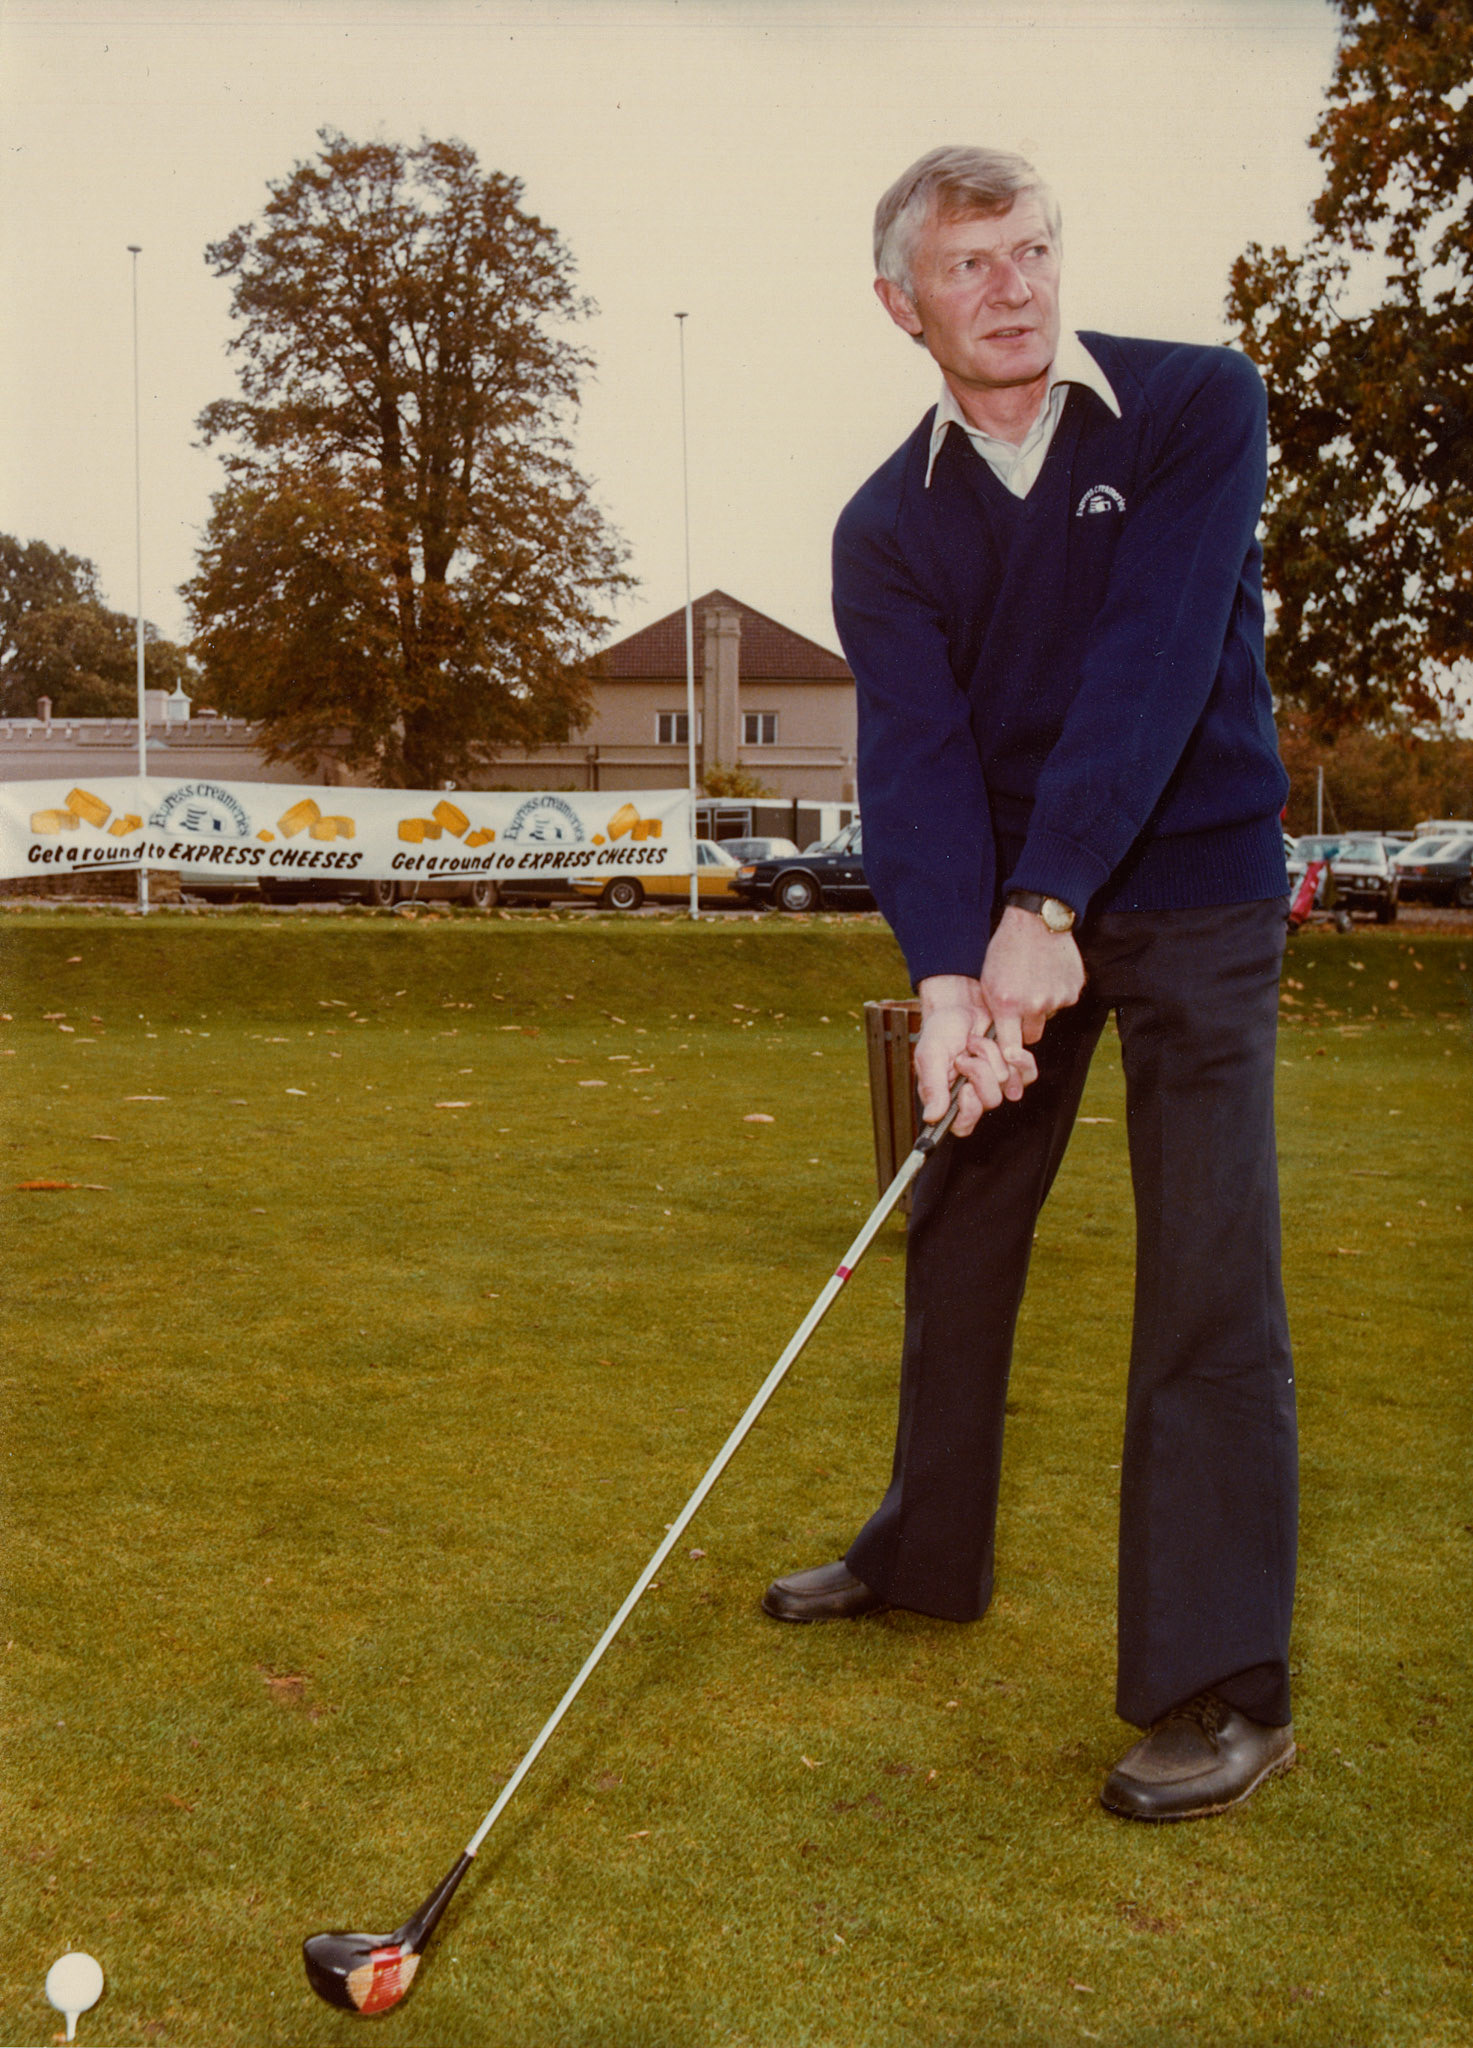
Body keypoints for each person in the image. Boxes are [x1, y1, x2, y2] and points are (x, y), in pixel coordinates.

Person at [763, 146, 1299, 1822]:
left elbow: (1149, 665)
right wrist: (945, 984)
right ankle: (925, 1553)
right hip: (1005, 920)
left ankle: (1223, 1686)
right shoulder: (884, 523)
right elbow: (912, 765)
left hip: (1193, 888)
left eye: (1031, 252)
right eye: (969, 265)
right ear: (898, 303)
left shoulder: (1198, 408)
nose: (1011, 287)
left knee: (1205, 1264)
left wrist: (1048, 903)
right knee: (962, 1206)